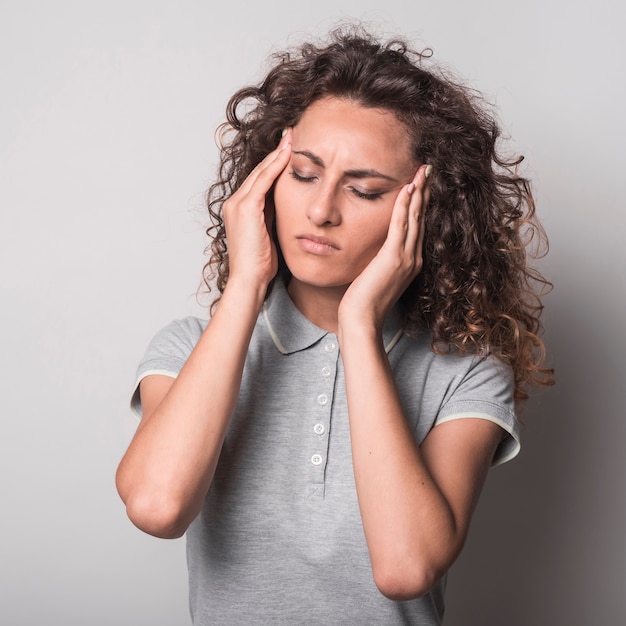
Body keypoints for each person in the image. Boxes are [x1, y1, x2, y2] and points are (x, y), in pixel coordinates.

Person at [116, 26, 554, 625]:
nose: (321, 211)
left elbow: (405, 568)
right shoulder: (190, 347)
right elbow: (157, 507)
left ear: (425, 212)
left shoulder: (466, 375)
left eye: (365, 189)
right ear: (266, 181)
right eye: (302, 174)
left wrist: (359, 328)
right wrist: (245, 285)